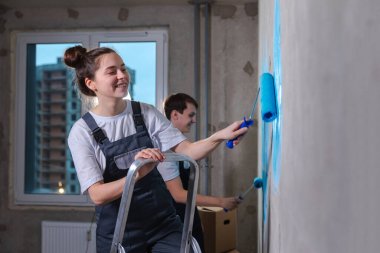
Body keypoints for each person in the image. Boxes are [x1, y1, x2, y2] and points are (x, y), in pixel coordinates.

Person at [64, 45, 248, 253]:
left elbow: (186, 151)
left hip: (163, 225)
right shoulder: (82, 132)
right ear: (91, 83)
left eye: (123, 69)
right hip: (120, 233)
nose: (122, 75)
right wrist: (137, 172)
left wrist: (219, 136)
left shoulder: (145, 113)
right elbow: (97, 194)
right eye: (111, 71)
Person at [158, 93, 241, 252]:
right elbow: (178, 195)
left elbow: (196, 149)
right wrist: (221, 202)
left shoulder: (181, 146)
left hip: (187, 215)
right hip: (173, 221)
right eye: (191, 115)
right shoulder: (164, 149)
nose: (194, 120)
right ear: (175, 115)